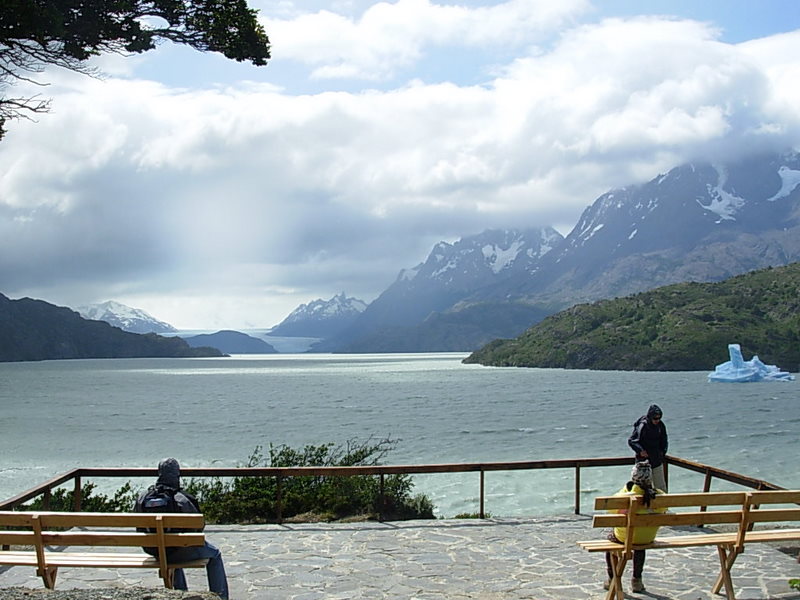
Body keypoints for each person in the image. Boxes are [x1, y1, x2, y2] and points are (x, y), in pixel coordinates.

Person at [135, 458, 230, 599]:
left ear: (159, 473)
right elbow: (199, 527)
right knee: (214, 554)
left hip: (154, 551)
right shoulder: (182, 499)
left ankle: (180, 593)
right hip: (178, 551)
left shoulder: (143, 498)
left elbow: (139, 527)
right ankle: (221, 597)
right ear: (177, 474)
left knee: (172, 547)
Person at [604, 460, 666, 593]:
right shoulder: (659, 495)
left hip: (625, 537)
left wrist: (627, 490)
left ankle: (611, 578)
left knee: (610, 542)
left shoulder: (625, 496)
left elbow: (611, 510)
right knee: (640, 545)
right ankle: (637, 580)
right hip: (647, 537)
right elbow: (663, 510)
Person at [628, 404, 668, 492]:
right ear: (650, 417)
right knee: (642, 489)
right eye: (655, 418)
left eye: (659, 418)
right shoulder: (643, 425)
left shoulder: (660, 426)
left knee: (661, 488)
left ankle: (662, 505)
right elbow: (632, 441)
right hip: (643, 463)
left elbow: (664, 441)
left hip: (657, 460)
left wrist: (662, 453)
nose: (657, 420)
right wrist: (640, 450)